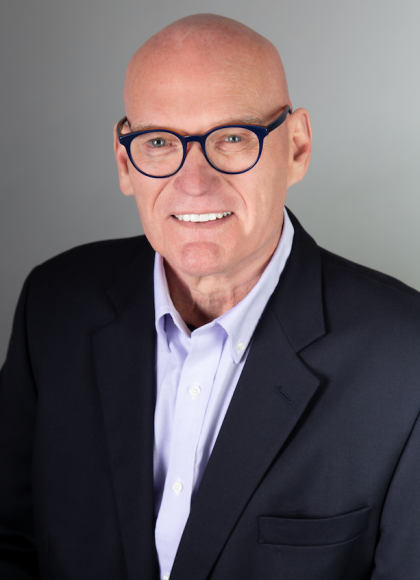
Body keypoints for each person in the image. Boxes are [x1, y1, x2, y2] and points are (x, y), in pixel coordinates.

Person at [1, 13, 420, 580]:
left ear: (297, 147)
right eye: (158, 142)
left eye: (232, 138)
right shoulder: (54, 307)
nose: (194, 182)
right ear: (125, 163)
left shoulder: (405, 360)